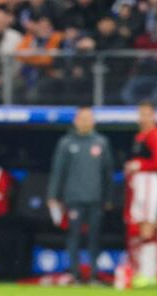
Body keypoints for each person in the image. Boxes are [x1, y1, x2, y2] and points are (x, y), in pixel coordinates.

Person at [47, 106, 114, 284]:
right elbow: (58, 171)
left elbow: (107, 173)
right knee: (74, 237)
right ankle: (75, 274)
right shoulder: (66, 143)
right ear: (76, 120)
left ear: (93, 121)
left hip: (95, 199)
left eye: (88, 118)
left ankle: (93, 274)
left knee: (94, 237)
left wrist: (108, 198)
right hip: (73, 199)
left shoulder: (101, 142)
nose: (85, 121)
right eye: (82, 118)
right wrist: (53, 196)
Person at [124, 101, 157, 289]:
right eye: (141, 114)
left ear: (154, 116)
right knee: (138, 226)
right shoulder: (140, 136)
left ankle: (150, 274)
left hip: (150, 181)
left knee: (148, 227)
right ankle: (142, 271)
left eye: (147, 114)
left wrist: (139, 164)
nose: (143, 118)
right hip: (139, 183)